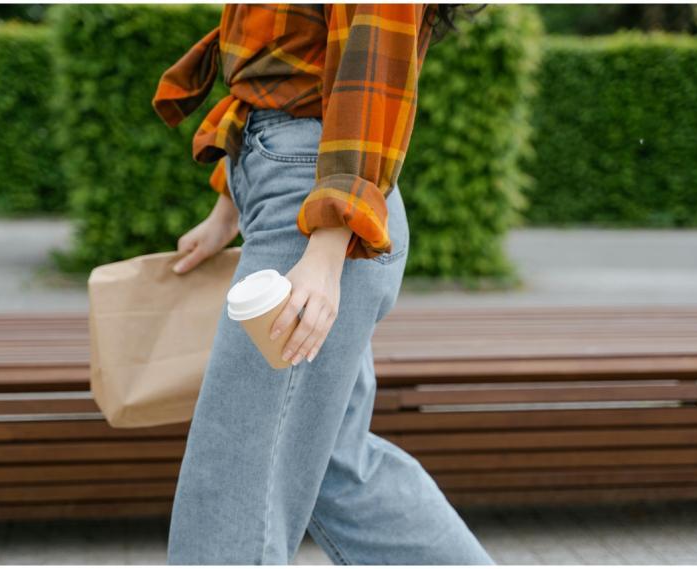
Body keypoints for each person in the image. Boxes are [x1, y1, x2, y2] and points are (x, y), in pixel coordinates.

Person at [152, 3, 495, 565]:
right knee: (336, 463)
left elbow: (372, 75)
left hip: (318, 217)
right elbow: (281, 65)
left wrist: (331, 240)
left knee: (237, 472)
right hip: (299, 202)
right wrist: (228, 208)